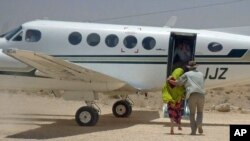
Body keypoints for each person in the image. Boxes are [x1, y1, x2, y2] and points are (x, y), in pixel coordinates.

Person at [169, 61, 205, 135]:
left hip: (192, 95)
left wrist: (169, 80)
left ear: (189, 67)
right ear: (196, 67)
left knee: (192, 114)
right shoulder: (201, 74)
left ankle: (193, 131)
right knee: (200, 112)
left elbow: (178, 83)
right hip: (201, 95)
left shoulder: (187, 74)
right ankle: (199, 124)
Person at [162, 68, 185, 134]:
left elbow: (164, 90)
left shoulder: (168, 81)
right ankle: (179, 125)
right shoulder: (180, 83)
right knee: (178, 113)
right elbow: (182, 92)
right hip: (178, 101)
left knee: (172, 115)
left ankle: (172, 128)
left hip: (171, 101)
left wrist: (169, 99)